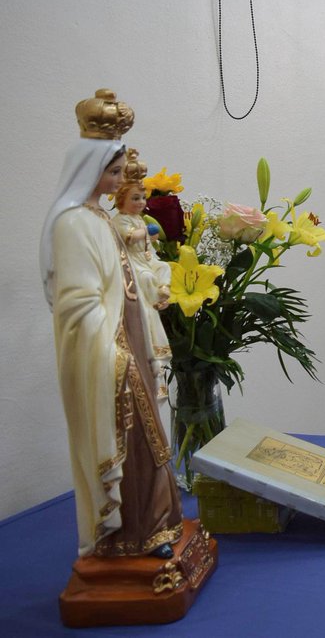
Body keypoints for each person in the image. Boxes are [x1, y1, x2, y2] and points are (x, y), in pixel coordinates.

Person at [40, 90, 183, 558]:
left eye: (123, 172)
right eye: (115, 171)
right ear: (89, 167)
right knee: (131, 440)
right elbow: (78, 304)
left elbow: (129, 274)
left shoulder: (101, 218)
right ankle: (128, 537)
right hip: (109, 351)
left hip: (132, 338)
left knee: (151, 438)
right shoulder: (73, 225)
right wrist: (114, 353)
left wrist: (155, 288)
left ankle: (157, 528)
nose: (122, 180)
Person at [111, 148, 173, 403]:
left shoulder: (139, 220)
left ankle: (163, 291)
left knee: (164, 268)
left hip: (145, 261)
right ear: (121, 199)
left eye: (143, 197)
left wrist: (151, 244)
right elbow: (128, 239)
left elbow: (148, 248)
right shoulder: (121, 221)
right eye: (136, 198)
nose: (141, 203)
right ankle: (154, 292)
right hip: (131, 267)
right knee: (146, 278)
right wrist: (146, 233)